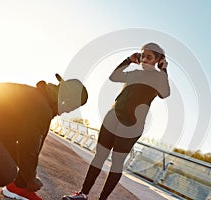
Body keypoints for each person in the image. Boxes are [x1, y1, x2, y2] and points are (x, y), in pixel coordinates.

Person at [63, 42, 170, 200]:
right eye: (142, 56)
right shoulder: (134, 73)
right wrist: (128, 60)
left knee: (117, 163)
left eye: (149, 57)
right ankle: (83, 194)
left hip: (132, 125)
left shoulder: (158, 78)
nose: (144, 60)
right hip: (113, 116)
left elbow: (165, 93)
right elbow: (114, 77)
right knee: (99, 156)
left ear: (158, 60)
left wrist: (164, 70)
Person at [0, 74, 88, 200]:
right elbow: (28, 147)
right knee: (5, 172)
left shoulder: (37, 98)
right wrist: (31, 179)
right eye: (72, 107)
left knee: (12, 161)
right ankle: (18, 187)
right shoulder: (41, 108)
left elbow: (8, 137)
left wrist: (25, 170)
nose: (69, 111)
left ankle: (19, 188)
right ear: (67, 100)